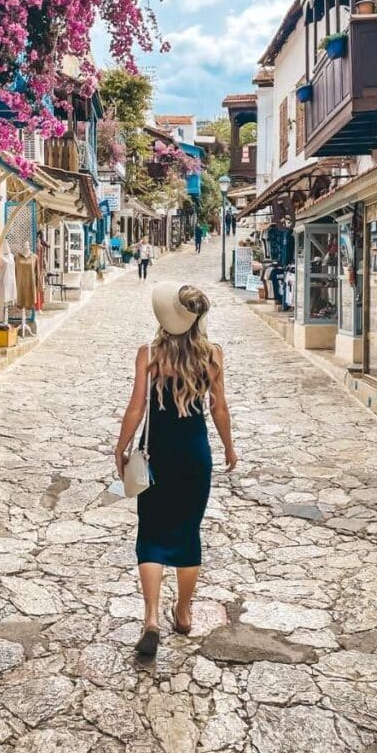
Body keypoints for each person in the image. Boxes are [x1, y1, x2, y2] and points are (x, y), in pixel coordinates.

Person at [114, 281, 238, 657]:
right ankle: (183, 613)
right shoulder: (212, 355)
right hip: (195, 456)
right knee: (188, 534)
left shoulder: (149, 354)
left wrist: (120, 448)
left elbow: (136, 408)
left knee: (151, 534)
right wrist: (230, 448)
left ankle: (151, 619)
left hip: (157, 455)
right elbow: (219, 408)